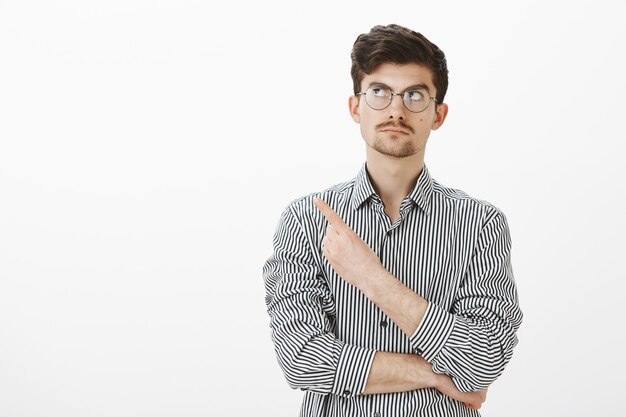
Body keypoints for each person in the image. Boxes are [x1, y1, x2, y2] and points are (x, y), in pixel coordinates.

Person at [262, 24, 522, 417]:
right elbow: (302, 359)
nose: (396, 109)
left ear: (438, 114)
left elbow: (484, 358)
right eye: (379, 92)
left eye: (415, 95)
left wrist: (371, 278)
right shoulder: (305, 221)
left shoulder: (480, 223)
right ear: (356, 107)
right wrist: (435, 375)